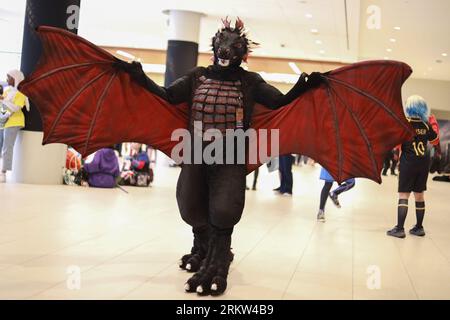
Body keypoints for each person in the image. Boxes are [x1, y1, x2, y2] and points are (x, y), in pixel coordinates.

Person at [387, 95, 439, 238]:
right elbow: (435, 142)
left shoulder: (405, 123)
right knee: (419, 195)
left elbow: (394, 142)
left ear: (409, 107)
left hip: (408, 163)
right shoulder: (426, 124)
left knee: (404, 195)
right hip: (423, 164)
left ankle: (399, 229)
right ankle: (419, 227)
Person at [0, 70, 29, 183]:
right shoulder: (7, 91)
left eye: (9, 77)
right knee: (5, 147)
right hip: (5, 121)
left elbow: (16, 108)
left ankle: (3, 173)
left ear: (15, 78)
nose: (7, 80)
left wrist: (3, 101)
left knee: (7, 147)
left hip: (15, 122)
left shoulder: (21, 93)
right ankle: (3, 171)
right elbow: (3, 106)